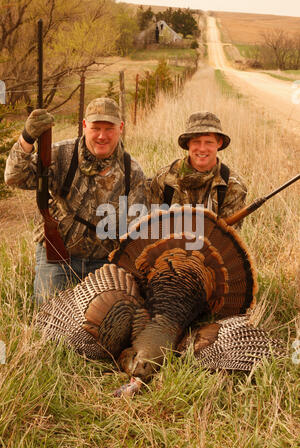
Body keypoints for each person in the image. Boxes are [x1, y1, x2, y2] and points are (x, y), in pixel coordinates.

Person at [5, 97, 148, 304]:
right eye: (95, 127)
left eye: (109, 128)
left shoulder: (132, 171)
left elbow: (135, 230)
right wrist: (27, 138)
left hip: (105, 264)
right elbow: (14, 177)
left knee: (114, 318)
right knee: (49, 315)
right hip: (58, 258)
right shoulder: (60, 154)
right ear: (84, 126)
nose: (102, 136)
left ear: (121, 128)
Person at [150, 111, 247, 226]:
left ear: (219, 143)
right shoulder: (164, 179)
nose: (202, 149)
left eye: (208, 142)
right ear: (188, 144)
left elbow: (227, 240)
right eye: (196, 142)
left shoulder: (233, 186)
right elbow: (152, 229)